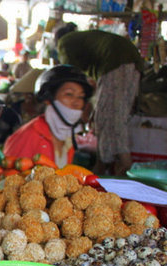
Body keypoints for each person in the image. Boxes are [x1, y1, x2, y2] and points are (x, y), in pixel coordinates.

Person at [56, 27, 144, 175]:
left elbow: (70, 77)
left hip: (117, 61)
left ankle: (123, 164)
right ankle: (106, 164)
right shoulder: (82, 41)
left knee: (110, 118)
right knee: (111, 116)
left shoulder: (65, 42)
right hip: (129, 60)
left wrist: (82, 108)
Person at [3, 65, 93, 168]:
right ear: (48, 98)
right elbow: (9, 178)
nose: (76, 102)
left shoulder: (68, 136)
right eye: (69, 94)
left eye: (80, 97)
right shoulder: (28, 135)